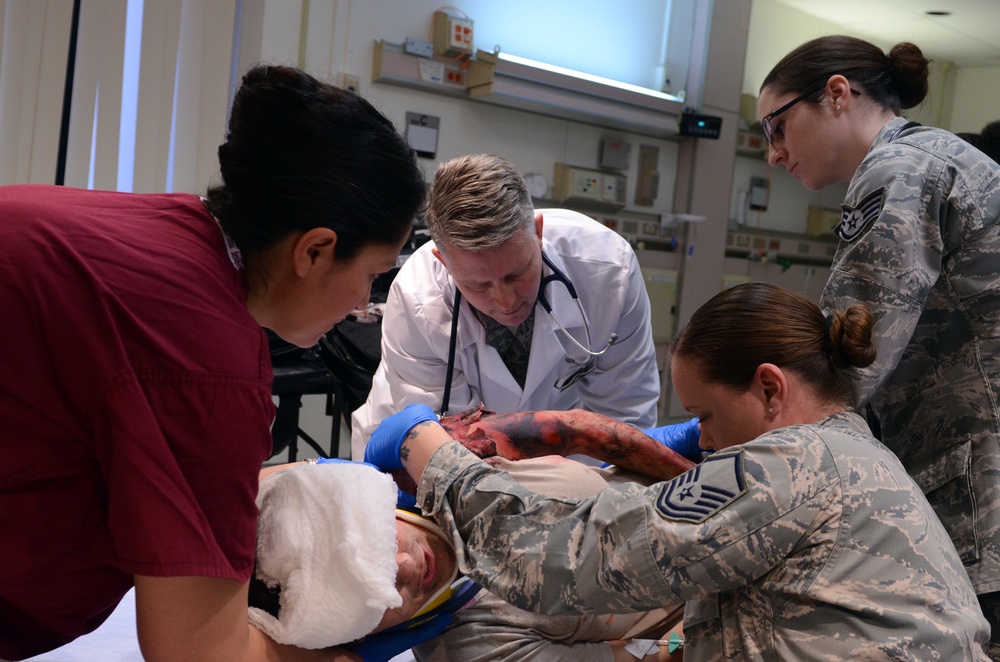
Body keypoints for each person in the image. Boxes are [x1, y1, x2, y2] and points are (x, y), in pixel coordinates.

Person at [0, 65, 425, 661]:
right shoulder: (206, 363)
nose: (364, 304)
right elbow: (200, 652)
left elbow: (151, 456)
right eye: (373, 275)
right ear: (316, 250)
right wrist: (359, 648)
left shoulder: (166, 230)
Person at [364, 282, 992, 660]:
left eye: (706, 415)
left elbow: (568, 559)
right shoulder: (854, 457)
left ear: (770, 389)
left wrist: (431, 451)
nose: (706, 439)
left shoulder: (793, 465)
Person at [755, 35, 1000, 656]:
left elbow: (848, 357)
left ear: (837, 94)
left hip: (982, 494)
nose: (773, 154)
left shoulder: (901, 169)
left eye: (777, 126)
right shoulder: (939, 159)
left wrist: (737, 428)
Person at [351, 153, 701, 463]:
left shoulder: (608, 271)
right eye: (479, 285)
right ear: (443, 261)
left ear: (537, 232)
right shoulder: (416, 299)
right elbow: (445, 448)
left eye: (517, 273)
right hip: (416, 461)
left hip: (569, 462)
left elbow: (625, 417)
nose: (506, 301)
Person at [253, 458, 682, 662]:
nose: (407, 567)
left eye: (379, 543)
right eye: (376, 600)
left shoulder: (442, 461)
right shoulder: (477, 651)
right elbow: (652, 656)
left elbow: (596, 437)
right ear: (362, 637)